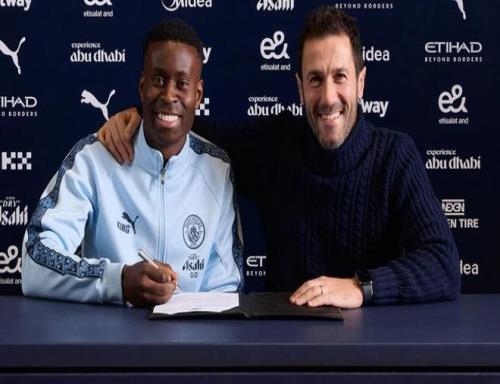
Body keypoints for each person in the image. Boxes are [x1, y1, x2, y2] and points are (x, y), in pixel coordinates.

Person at [98, 7, 460, 309]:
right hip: (285, 349)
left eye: (340, 77)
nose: (328, 97)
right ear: (300, 87)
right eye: (315, 79)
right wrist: (140, 115)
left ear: (361, 82)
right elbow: (196, 130)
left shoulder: (395, 157)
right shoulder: (275, 146)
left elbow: (442, 263)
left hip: (372, 353)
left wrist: (358, 286)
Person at [21, 20, 243, 307]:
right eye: (158, 80)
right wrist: (118, 281)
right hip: (103, 336)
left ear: (197, 95)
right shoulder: (94, 158)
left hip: (189, 337)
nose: (169, 95)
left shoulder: (217, 169)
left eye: (182, 84)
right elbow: (35, 262)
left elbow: (225, 290)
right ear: (142, 86)